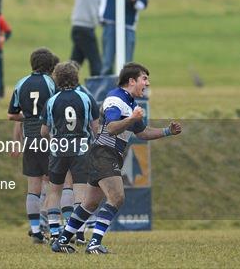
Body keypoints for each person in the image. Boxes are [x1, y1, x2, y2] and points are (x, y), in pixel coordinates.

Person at [52, 63, 182, 254]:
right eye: (144, 79)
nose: (147, 83)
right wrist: (131, 119)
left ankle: (62, 240)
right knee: (117, 197)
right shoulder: (115, 99)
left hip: (104, 154)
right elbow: (112, 128)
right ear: (131, 81)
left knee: (90, 203)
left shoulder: (131, 104)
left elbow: (143, 132)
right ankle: (94, 243)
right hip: (105, 153)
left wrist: (167, 131)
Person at [40, 62, 99, 243]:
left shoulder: (52, 101)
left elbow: (43, 131)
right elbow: (95, 127)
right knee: (80, 192)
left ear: (57, 79)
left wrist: (54, 139)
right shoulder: (86, 98)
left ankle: (55, 233)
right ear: (76, 78)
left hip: (59, 149)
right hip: (81, 148)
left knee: (55, 191)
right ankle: (79, 233)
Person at [8, 48, 56, 244]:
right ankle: (55, 230)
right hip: (49, 137)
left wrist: (29, 117)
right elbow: (58, 107)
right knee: (56, 186)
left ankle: (36, 231)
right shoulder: (51, 83)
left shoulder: (21, 83)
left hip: (29, 139)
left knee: (33, 187)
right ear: (50, 65)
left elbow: (12, 115)